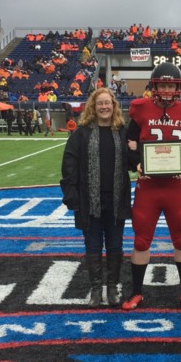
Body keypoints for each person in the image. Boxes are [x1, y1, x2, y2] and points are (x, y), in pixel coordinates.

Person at [122, 62, 181, 311]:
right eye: (163, 85)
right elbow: (128, 143)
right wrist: (137, 165)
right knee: (142, 240)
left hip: (176, 187)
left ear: (178, 87)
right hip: (149, 187)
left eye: (171, 85)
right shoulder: (141, 109)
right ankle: (136, 292)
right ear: (154, 86)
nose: (167, 90)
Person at [60, 88, 131, 307]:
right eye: (100, 103)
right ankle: (95, 289)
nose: (104, 107)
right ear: (93, 106)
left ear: (114, 106)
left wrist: (136, 150)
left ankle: (112, 288)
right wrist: (71, 197)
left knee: (115, 245)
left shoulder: (122, 131)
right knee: (92, 246)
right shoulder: (81, 134)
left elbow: (133, 160)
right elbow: (69, 166)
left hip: (116, 199)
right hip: (89, 201)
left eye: (107, 103)